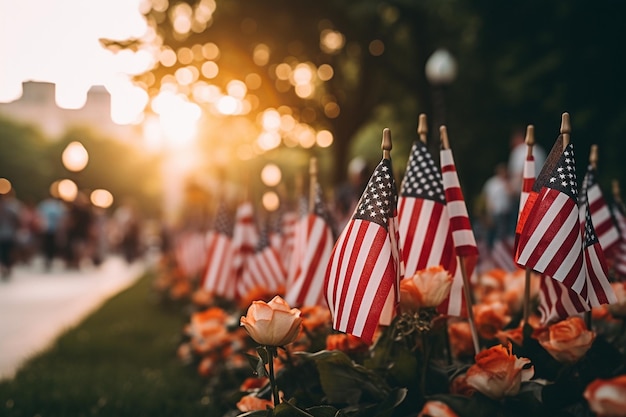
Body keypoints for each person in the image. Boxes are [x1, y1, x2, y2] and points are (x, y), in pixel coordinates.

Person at [482, 163, 514, 249]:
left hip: (506, 213)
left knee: (503, 234)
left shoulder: (508, 182)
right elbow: (488, 198)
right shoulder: (492, 183)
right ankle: (491, 250)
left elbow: (512, 194)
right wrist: (488, 212)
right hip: (494, 212)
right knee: (492, 232)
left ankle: (500, 250)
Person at [37, 195, 67, 270]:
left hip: (51, 229)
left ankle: (49, 259)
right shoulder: (55, 206)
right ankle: (48, 259)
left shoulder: (48, 205)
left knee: (49, 245)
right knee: (48, 245)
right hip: (48, 229)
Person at [0, 192, 22, 279]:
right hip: (8, 234)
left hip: (7, 234)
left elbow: (16, 220)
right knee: (7, 252)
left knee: (5, 252)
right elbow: (17, 220)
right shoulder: (10, 208)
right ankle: (7, 267)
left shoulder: (9, 209)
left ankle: (6, 267)